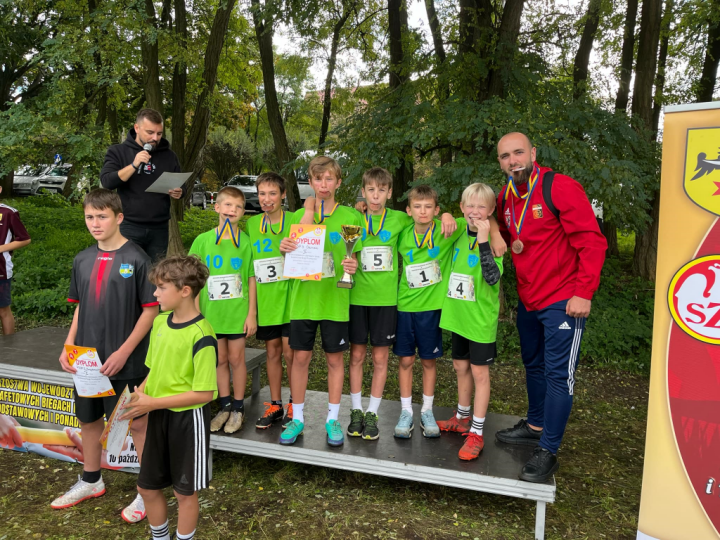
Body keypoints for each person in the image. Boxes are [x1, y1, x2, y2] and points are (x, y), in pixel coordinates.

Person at [493, 132, 607, 482]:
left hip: (564, 299)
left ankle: (548, 449)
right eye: (505, 156)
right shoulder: (505, 198)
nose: (513, 161)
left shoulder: (559, 187)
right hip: (529, 298)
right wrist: (490, 227)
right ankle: (535, 424)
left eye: (518, 153)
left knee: (559, 374)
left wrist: (583, 292)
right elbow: (500, 230)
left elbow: (592, 242)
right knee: (534, 365)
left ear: (533, 153)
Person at [52, 189, 159, 524]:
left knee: (137, 424)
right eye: (89, 217)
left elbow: (150, 310)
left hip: (125, 360)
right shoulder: (82, 259)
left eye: (102, 217)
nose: (95, 224)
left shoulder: (138, 258)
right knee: (88, 419)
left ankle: (147, 491)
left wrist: (124, 350)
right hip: (87, 361)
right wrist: (69, 345)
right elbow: (81, 307)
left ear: (119, 218)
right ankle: (91, 480)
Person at [346, 167, 456, 440]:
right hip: (358, 297)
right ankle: (357, 411)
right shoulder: (354, 216)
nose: (375, 195)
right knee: (358, 356)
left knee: (383, 358)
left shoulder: (400, 219)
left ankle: (375, 413)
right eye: (370, 190)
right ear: (363, 192)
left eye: (381, 190)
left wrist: (446, 214)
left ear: (390, 193)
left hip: (388, 301)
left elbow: (428, 217)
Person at [120, 255, 217, 540]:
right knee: (147, 487)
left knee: (184, 492)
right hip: (158, 413)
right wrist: (141, 396)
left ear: (185, 290)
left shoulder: (203, 335)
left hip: (189, 421)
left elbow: (204, 393)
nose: (155, 293)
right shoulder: (161, 323)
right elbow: (155, 369)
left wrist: (153, 403)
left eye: (162, 288)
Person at [279, 156, 362, 447]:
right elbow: (288, 254)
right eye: (317, 179)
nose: (323, 185)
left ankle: (332, 419)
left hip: (334, 301)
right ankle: (297, 417)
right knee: (299, 358)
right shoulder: (297, 217)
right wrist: (285, 246)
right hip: (303, 300)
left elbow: (355, 257)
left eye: (329, 179)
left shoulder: (351, 216)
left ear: (338, 182)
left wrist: (352, 265)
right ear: (310, 182)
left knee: (334, 360)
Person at [392, 185, 468, 439]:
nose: (422, 212)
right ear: (408, 210)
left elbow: (475, 216)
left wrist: (447, 216)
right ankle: (405, 411)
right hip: (405, 305)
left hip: (432, 309)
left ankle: (426, 410)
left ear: (435, 210)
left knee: (428, 360)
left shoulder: (447, 229)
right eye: (417, 206)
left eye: (428, 207)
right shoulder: (402, 231)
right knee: (405, 360)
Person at [437, 183, 503, 461]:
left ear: (490, 211)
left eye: (481, 207)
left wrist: (488, 239)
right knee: (460, 366)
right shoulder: (459, 230)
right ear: (463, 208)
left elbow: (492, 277)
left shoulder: (496, 241)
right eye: (470, 206)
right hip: (458, 316)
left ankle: (476, 432)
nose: (475, 211)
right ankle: (462, 417)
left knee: (479, 374)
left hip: (480, 321)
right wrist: (446, 215)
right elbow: (436, 219)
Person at [247, 173, 314, 429]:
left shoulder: (295, 219)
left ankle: (293, 404)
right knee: (272, 352)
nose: (267, 199)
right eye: (262, 194)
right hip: (267, 301)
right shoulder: (252, 224)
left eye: (272, 193)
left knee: (290, 353)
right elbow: (252, 269)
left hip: (291, 301)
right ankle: (275, 404)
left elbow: (312, 204)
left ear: (283, 195)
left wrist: (308, 207)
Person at [189, 186, 256, 434]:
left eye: (238, 207)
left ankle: (238, 408)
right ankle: (225, 405)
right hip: (210, 315)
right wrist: (195, 316)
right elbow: (192, 281)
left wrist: (252, 314)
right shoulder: (203, 241)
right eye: (228, 205)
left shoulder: (246, 244)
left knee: (237, 359)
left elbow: (250, 279)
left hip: (236, 314)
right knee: (220, 359)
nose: (233, 210)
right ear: (216, 207)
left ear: (243, 212)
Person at [100, 108, 184, 261]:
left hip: (159, 227)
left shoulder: (169, 156)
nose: (155, 138)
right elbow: (107, 181)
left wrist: (179, 191)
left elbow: (180, 183)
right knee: (127, 274)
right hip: (129, 225)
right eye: (150, 132)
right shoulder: (118, 151)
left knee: (155, 275)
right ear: (136, 128)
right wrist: (134, 165)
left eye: (159, 134)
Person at [0, 188, 31, 335]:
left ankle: (9, 350)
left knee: (3, 309)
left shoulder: (8, 213)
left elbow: (25, 239)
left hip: (1, 270)